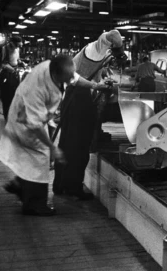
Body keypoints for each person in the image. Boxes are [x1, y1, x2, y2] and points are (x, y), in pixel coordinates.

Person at [0, 55, 110, 216]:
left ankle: (20, 186)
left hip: (35, 116)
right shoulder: (37, 88)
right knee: (41, 156)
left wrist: (95, 85)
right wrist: (52, 148)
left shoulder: (56, 68)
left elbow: (75, 79)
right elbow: (34, 124)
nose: (70, 79)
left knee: (34, 156)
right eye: (66, 77)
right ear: (56, 74)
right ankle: (35, 205)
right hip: (25, 118)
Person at [53, 30, 126, 201]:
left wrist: (103, 76)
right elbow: (114, 34)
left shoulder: (99, 55)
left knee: (67, 144)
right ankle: (73, 187)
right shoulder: (95, 48)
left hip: (73, 99)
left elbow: (90, 72)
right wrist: (120, 51)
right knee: (80, 146)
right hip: (79, 100)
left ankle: (60, 184)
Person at [0, 35, 23, 120]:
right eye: (17, 45)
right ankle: (6, 116)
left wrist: (21, 62)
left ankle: (13, 115)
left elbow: (17, 59)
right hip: (6, 73)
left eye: (19, 45)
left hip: (14, 72)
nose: (18, 47)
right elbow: (3, 63)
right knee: (6, 96)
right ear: (12, 43)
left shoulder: (17, 48)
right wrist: (12, 69)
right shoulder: (5, 49)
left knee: (15, 94)